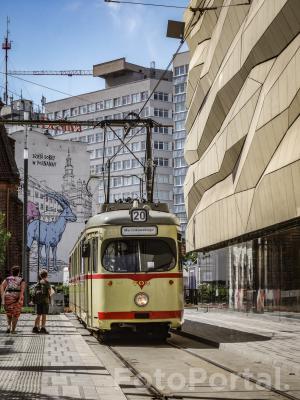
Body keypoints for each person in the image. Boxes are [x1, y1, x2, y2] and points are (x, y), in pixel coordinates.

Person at [0, 266, 25, 334]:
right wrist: (20, 299)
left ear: (12, 272)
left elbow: (2, 286)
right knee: (15, 314)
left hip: (7, 296)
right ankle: (13, 330)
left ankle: (8, 326)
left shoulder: (8, 279)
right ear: (19, 272)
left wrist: (3, 296)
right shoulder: (21, 280)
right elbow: (22, 291)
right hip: (16, 297)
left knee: (9, 314)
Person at [32, 269, 51, 334]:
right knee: (44, 315)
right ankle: (43, 328)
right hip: (45, 301)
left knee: (38, 315)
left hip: (38, 301)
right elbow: (50, 292)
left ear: (40, 275)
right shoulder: (46, 282)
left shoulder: (38, 282)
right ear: (46, 275)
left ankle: (35, 327)